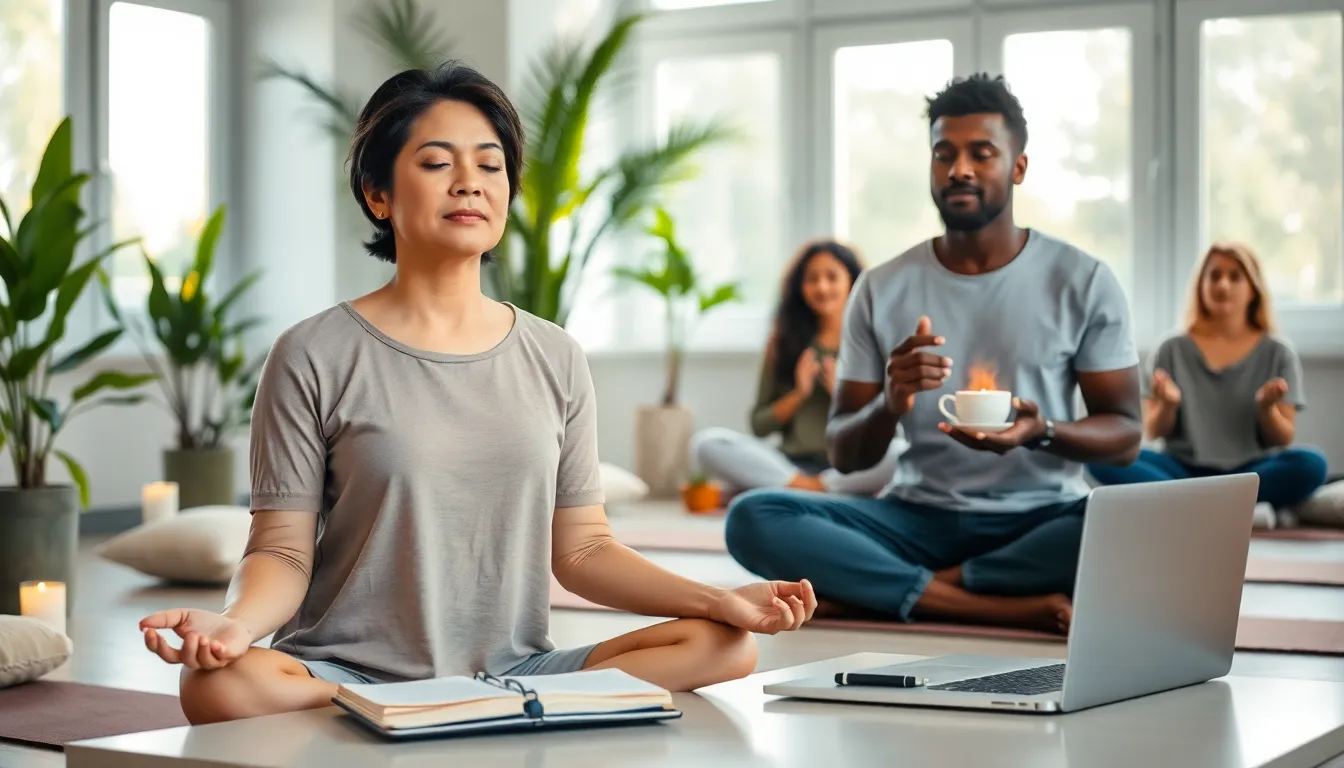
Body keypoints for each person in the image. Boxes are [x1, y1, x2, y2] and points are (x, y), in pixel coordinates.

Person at [135, 62, 816, 725]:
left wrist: (719, 600)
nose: (470, 184)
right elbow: (281, 551)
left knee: (727, 644)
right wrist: (233, 625)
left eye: (491, 167)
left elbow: (583, 552)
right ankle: (425, 707)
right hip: (349, 671)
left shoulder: (554, 354)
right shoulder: (312, 353)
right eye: (437, 164)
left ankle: (455, 706)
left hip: (514, 670)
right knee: (219, 689)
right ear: (378, 195)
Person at [724, 73, 1143, 634]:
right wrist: (892, 401)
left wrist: (1043, 431)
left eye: (982, 153)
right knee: (754, 517)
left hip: (1042, 517)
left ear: (1018, 168)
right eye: (943, 154)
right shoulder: (881, 287)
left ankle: (909, 586)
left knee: (1135, 524)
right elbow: (845, 453)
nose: (959, 169)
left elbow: (1125, 435)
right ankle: (990, 599)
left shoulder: (1083, 280)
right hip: (917, 517)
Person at [1087, 242, 1329, 518]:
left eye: (1235, 276)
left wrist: (1266, 409)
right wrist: (1168, 404)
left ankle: (1188, 505)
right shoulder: (1171, 348)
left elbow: (1283, 438)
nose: (1223, 285)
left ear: (1253, 289)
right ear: (1200, 285)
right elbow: (1154, 431)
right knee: (1102, 455)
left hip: (1250, 471)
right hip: (1181, 469)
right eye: (1214, 275)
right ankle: (1224, 506)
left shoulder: (1278, 352)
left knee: (1312, 464)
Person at [692, 240, 906, 496]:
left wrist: (842, 393)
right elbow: (759, 426)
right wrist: (799, 394)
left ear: (852, 281)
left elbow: (893, 428)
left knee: (901, 451)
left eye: (831, 277)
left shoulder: (876, 342)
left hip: (850, 465)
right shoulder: (783, 343)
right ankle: (809, 489)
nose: (822, 287)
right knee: (707, 443)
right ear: (800, 288)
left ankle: (803, 491)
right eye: (812, 279)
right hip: (791, 465)